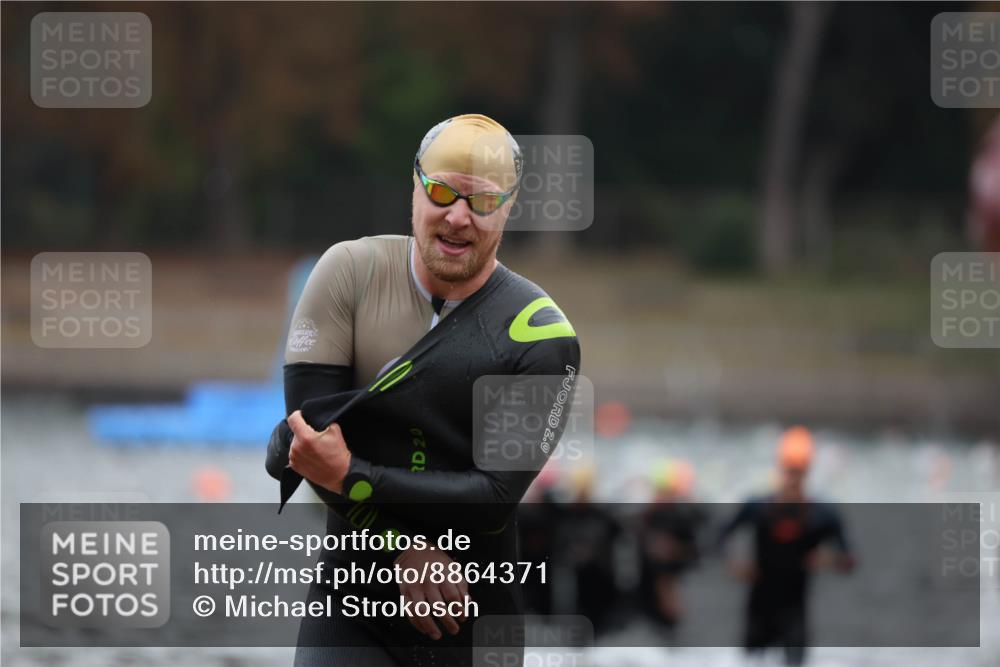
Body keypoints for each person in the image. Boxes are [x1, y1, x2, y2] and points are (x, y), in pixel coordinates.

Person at [265, 113, 581, 666]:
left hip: (475, 623)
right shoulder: (348, 274)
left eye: (482, 202)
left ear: (508, 208)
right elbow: (308, 449)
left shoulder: (542, 336)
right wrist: (405, 550)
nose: (458, 217)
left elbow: (493, 499)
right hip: (350, 607)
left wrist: (352, 475)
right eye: (440, 192)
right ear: (414, 189)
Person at [716, 427, 855, 667]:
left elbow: (849, 559)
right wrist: (733, 563)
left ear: (807, 473)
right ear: (780, 470)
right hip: (759, 604)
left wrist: (828, 560)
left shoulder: (822, 515)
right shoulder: (758, 507)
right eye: (789, 471)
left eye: (798, 472)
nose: (793, 478)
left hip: (795, 607)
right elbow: (718, 536)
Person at [636, 459, 704, 633]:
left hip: (674, 583)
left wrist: (675, 551)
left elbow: (697, 551)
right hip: (651, 590)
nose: (661, 497)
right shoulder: (648, 517)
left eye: (666, 492)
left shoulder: (683, 517)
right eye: (659, 492)